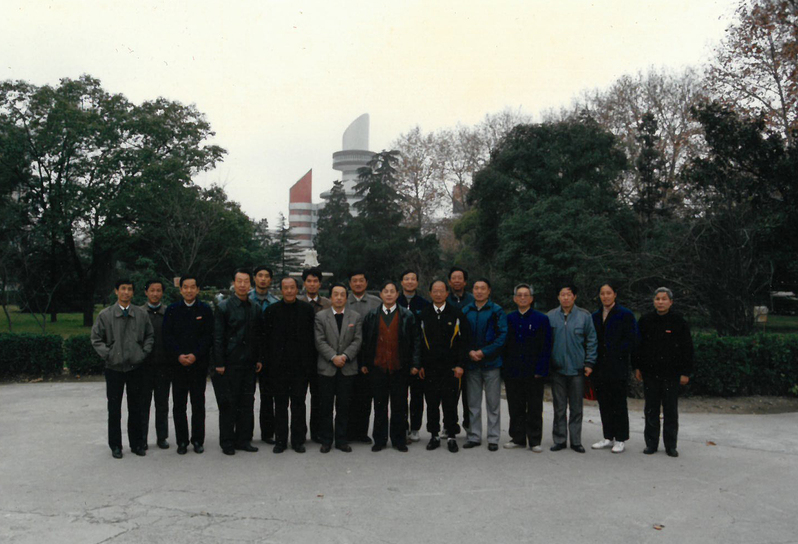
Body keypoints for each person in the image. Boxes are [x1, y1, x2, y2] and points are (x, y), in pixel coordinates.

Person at [91, 279, 154, 459]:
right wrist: (109, 354)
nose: (126, 292)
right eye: (123, 289)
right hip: (114, 368)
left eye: (129, 289)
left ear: (133, 292)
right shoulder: (106, 315)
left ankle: (137, 444)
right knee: (114, 409)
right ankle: (115, 445)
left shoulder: (141, 314)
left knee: (136, 408)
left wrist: (142, 353)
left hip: (135, 367)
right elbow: (96, 339)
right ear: (116, 291)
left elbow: (150, 336)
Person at [360, 280, 421, 452]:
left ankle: (399, 440)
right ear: (380, 294)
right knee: (379, 405)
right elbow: (365, 341)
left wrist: (415, 363)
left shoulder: (407, 315)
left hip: (399, 367)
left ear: (397, 294)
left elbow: (416, 341)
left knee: (399, 405)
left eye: (392, 291)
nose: (388, 294)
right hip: (378, 367)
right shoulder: (372, 315)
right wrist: (364, 362)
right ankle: (379, 440)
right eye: (385, 291)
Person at [634, 287, 693, 458]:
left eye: (664, 299)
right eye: (657, 299)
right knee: (651, 409)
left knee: (670, 411)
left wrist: (685, 372)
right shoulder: (645, 320)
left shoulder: (679, 322)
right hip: (650, 373)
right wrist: (637, 367)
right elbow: (638, 346)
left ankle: (670, 445)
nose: (660, 302)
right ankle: (651, 443)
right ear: (654, 301)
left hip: (671, 374)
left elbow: (687, 349)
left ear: (671, 302)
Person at [213, 268, 264, 455]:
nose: (242, 285)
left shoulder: (255, 307)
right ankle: (227, 441)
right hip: (230, 362)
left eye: (246, 281)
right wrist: (219, 362)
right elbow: (218, 337)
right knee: (228, 403)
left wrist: (259, 358)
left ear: (250, 284)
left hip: (249, 363)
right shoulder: (223, 307)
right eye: (239, 281)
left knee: (247, 403)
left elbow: (259, 336)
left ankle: (243, 440)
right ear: (233, 284)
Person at [263, 277, 316, 453]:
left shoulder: (307, 310)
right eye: (285, 288)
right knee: (280, 404)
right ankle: (280, 440)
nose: (289, 291)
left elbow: (311, 339)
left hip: (300, 366)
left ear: (297, 289)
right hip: (279, 367)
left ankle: (298, 440)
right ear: (281, 290)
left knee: (299, 403)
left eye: (292, 287)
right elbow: (267, 340)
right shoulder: (272, 311)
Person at [163, 275, 214, 455]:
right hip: (178, 365)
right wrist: (179, 355)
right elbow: (167, 336)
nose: (189, 290)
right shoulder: (172, 310)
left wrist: (195, 355)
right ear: (181, 289)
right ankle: (182, 441)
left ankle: (198, 440)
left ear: (198, 289)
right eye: (186, 287)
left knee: (198, 404)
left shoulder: (205, 309)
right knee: (179, 404)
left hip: (198, 364)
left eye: (193, 287)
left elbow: (208, 336)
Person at [417, 280, 470, 453]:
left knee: (450, 403)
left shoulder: (456, 314)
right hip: (430, 368)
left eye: (441, 291)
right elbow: (418, 343)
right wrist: (420, 365)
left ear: (447, 293)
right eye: (435, 291)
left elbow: (464, 343)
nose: (438, 294)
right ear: (430, 293)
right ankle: (434, 435)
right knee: (432, 403)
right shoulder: (423, 314)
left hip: (451, 369)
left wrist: (460, 365)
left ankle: (452, 436)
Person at [547, 283, 597, 453]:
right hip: (557, 369)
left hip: (577, 369)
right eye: (562, 294)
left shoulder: (584, 316)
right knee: (559, 407)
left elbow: (591, 340)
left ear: (574, 297)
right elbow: (546, 343)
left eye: (569, 294)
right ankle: (560, 439)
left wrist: (589, 363)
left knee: (576, 408)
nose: (566, 298)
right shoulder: (550, 316)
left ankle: (576, 441)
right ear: (558, 297)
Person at [314, 283, 363, 453]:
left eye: (342, 294)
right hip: (327, 368)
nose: (339, 298)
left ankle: (342, 439)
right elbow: (319, 341)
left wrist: (345, 356)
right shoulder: (321, 316)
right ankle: (326, 440)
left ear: (347, 297)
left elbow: (357, 340)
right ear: (330, 297)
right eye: (336, 294)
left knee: (344, 406)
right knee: (326, 406)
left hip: (347, 367)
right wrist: (333, 357)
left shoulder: (355, 317)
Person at [591, 282, 639, 454]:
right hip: (600, 367)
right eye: (602, 293)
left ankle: (620, 438)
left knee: (618, 402)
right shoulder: (595, 316)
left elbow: (633, 339)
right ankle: (608, 436)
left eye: (608, 293)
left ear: (615, 294)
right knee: (604, 402)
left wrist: (617, 351)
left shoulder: (625, 314)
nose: (605, 296)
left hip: (617, 365)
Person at [503, 283, 552, 453]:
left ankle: (534, 440)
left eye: (526, 295)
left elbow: (546, 346)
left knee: (534, 407)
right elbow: (505, 345)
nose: (522, 298)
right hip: (513, 371)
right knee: (515, 406)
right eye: (519, 295)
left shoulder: (541, 319)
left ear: (531, 299)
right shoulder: (509, 319)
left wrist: (541, 370)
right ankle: (517, 438)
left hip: (534, 372)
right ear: (514, 298)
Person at [461, 278, 507, 451]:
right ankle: (474, 436)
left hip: (491, 363)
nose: (479, 291)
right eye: (476, 288)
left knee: (493, 403)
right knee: (473, 403)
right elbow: (460, 336)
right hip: (472, 364)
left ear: (489, 291)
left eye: (483, 288)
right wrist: (469, 352)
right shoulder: (466, 310)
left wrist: (484, 352)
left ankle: (493, 438)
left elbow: (502, 336)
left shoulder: (496, 310)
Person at [345, 270, 382, 444]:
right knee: (348, 396)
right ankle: (347, 432)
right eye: (354, 281)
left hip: (369, 356)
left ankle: (362, 432)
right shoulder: (344, 301)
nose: (358, 283)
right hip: (348, 355)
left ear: (366, 283)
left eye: (361, 280)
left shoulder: (376, 302)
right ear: (350, 284)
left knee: (366, 397)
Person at [397, 268, 430, 443]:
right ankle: (402, 426)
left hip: (418, 357)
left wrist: (421, 362)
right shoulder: (395, 301)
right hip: (400, 357)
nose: (409, 281)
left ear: (417, 282)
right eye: (406, 278)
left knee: (417, 396)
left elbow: (426, 335)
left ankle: (415, 428)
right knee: (400, 396)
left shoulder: (424, 304)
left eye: (413, 279)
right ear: (401, 282)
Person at [299, 266, 331, 444]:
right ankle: (300, 432)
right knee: (299, 397)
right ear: (304, 283)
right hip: (302, 358)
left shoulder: (327, 304)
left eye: (315, 281)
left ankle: (317, 432)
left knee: (319, 397)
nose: (312, 284)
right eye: (309, 281)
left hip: (322, 358)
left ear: (320, 284)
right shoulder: (297, 301)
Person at [140, 279, 172, 450]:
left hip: (163, 366)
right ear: (146, 292)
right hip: (144, 366)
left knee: (162, 404)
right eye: (152, 290)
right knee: (143, 404)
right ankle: (142, 438)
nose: (155, 294)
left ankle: (162, 437)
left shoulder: (168, 312)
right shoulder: (139, 313)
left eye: (158, 290)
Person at [249, 265, 279, 445]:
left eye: (266, 276)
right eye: (260, 275)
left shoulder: (275, 302)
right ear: (254, 278)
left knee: (268, 396)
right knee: (246, 396)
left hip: (268, 355)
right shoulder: (246, 299)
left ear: (270, 280)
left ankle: (268, 433)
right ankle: (245, 433)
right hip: (248, 353)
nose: (263, 279)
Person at [446, 266, 474, 434]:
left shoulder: (472, 300)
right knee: (450, 394)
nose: (457, 281)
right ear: (449, 282)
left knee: (468, 395)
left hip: (469, 352)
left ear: (465, 282)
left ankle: (469, 424)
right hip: (450, 355)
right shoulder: (445, 299)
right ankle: (449, 425)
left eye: (460, 278)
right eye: (453, 278)